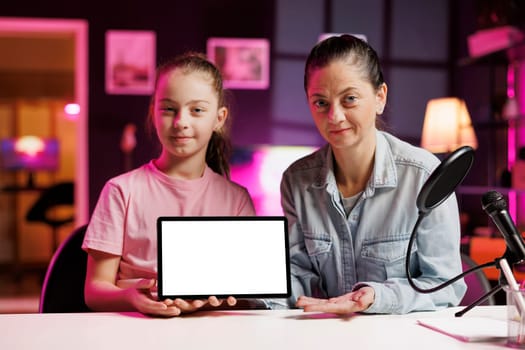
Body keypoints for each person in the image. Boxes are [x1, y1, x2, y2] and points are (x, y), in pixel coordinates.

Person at [280, 34, 466, 314]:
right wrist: (248, 296)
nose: (335, 116)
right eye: (321, 103)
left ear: (380, 97)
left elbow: (445, 286)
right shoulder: (296, 182)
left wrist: (377, 297)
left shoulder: (424, 175)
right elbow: (297, 276)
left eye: (350, 99)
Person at [82, 52, 256, 317]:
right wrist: (132, 298)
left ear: (219, 119)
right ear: (154, 112)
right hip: (134, 328)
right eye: (168, 109)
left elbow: (244, 295)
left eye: (197, 110)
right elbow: (95, 291)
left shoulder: (237, 200)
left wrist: (208, 301)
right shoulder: (121, 191)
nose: (181, 122)